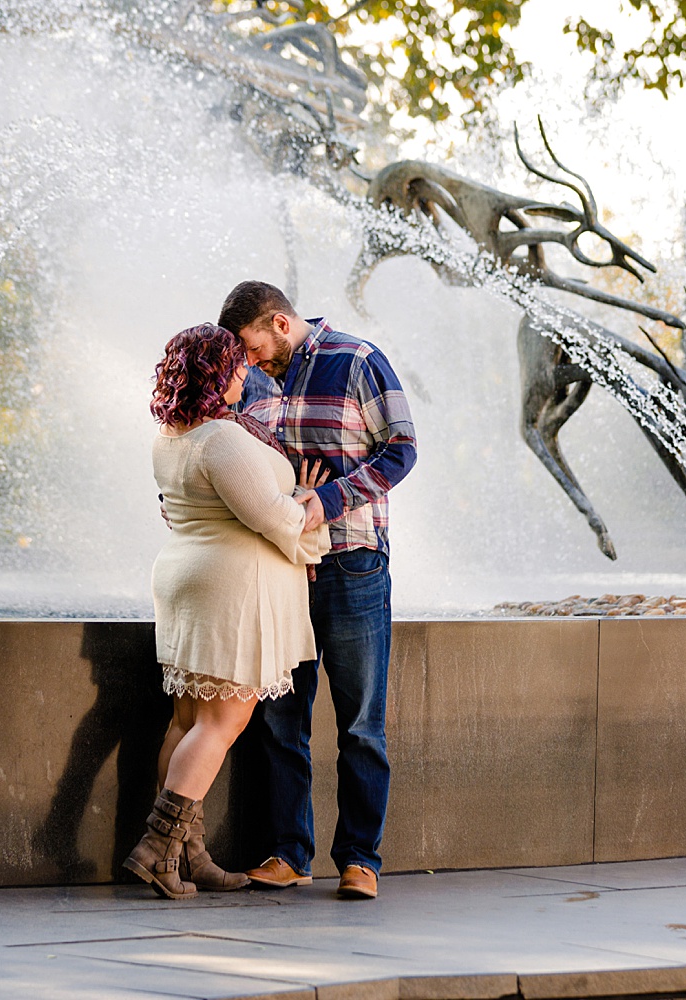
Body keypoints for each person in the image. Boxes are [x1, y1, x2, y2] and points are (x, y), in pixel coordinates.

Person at [217, 280, 417, 901]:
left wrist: (321, 501)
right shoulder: (249, 382)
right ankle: (288, 854)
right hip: (279, 569)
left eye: (252, 345)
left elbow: (402, 450)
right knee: (279, 720)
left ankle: (360, 860)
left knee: (360, 722)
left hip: (352, 562)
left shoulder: (357, 360)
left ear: (279, 323)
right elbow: (231, 459)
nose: (248, 362)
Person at [124, 323, 330, 900]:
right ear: (217, 373)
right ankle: (155, 849)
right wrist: (309, 508)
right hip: (233, 585)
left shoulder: (171, 433)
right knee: (222, 723)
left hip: (188, 576)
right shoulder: (221, 438)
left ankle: (191, 856)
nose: (246, 373)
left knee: (187, 722)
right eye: (236, 366)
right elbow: (268, 517)